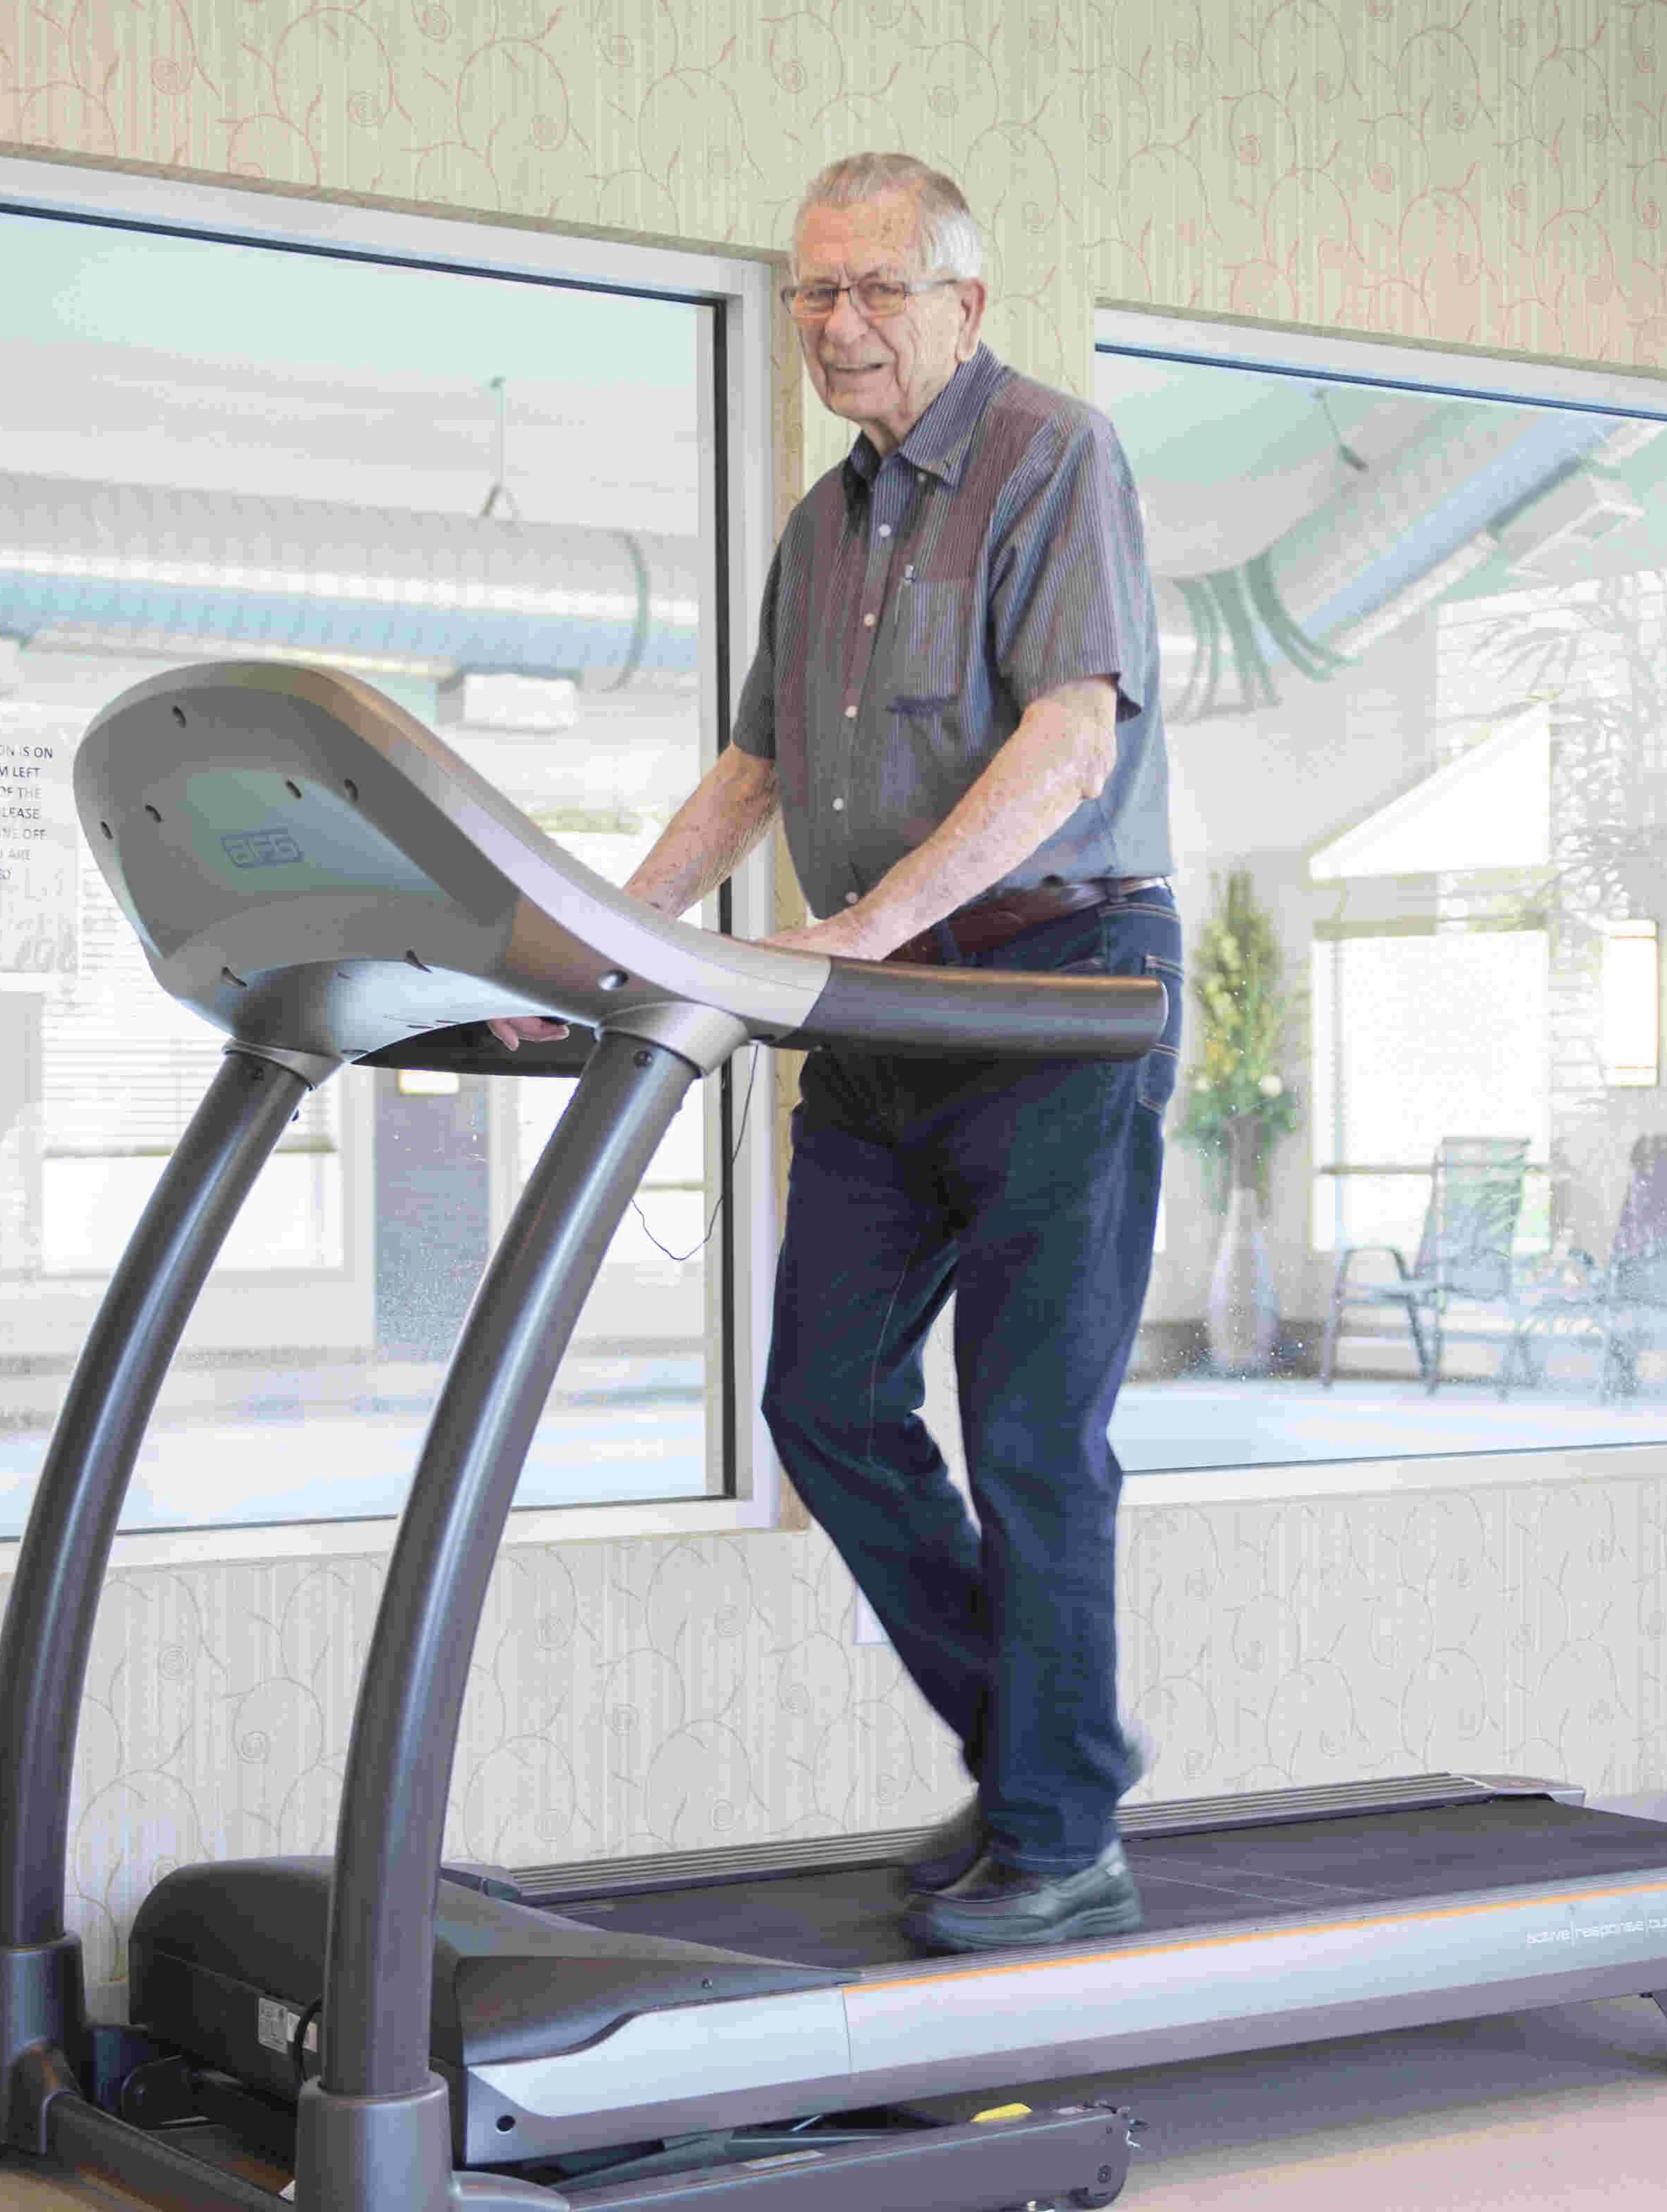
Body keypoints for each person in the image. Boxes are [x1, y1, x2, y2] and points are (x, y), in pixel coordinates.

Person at [489, 151, 1177, 1953]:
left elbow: (1067, 745)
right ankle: (1058, 1759)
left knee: (1031, 1435)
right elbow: (757, 772)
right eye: (815, 295)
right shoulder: (825, 525)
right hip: (877, 1017)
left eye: (879, 290)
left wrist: (860, 926)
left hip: (1049, 990)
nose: (841, 325)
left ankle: (1056, 1828)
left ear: (964, 303)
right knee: (824, 1399)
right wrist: (604, 945)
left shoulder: (1052, 457)